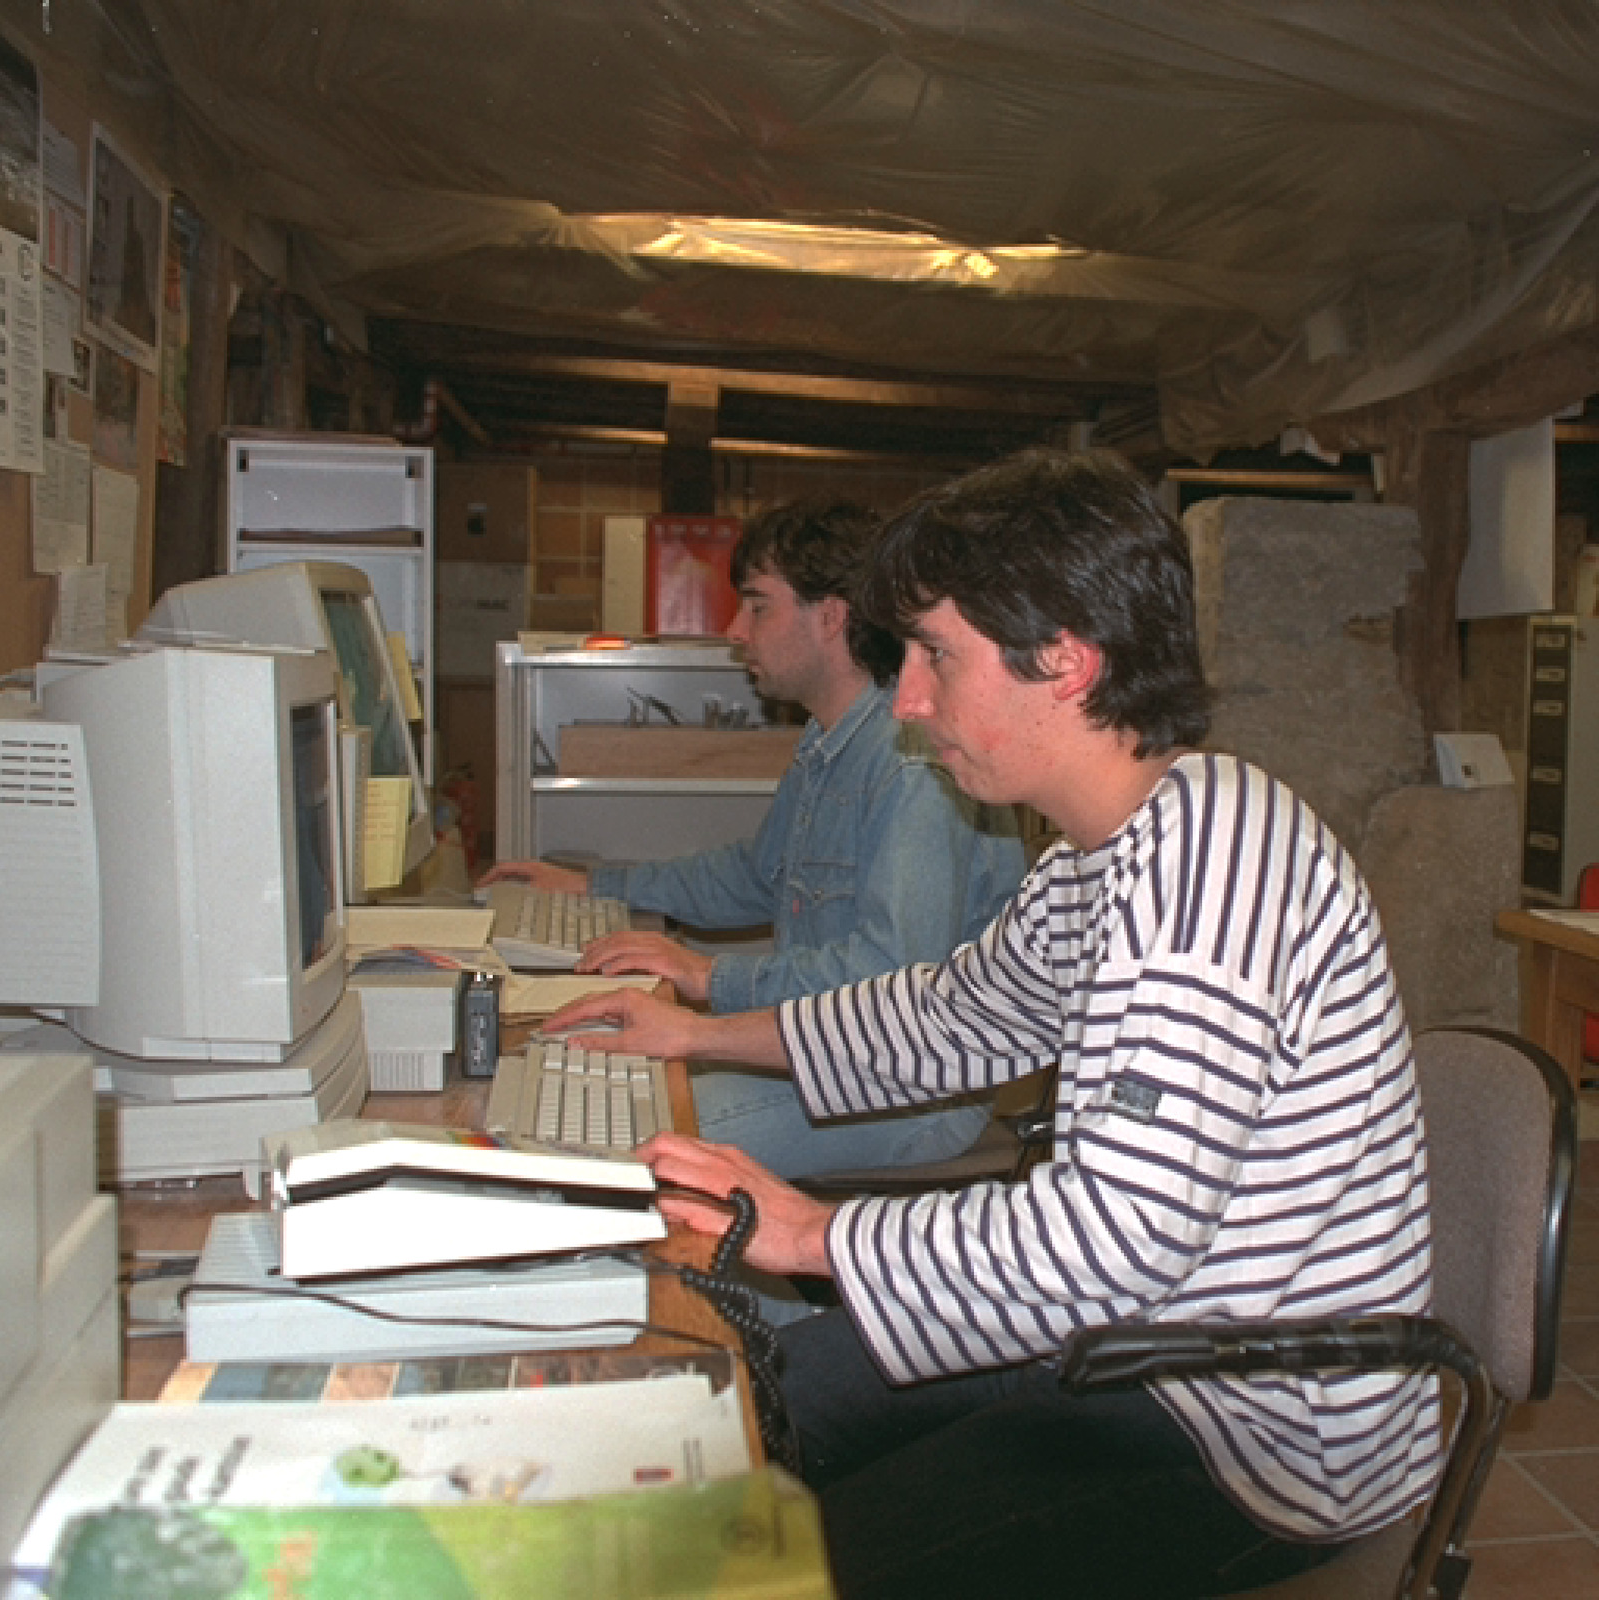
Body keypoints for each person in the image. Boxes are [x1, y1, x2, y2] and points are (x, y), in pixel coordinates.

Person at [542, 450, 1440, 1600]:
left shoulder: (1207, 875)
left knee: (777, 1560)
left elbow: (1116, 1239)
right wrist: (697, 1032)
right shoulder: (1101, 855)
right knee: (745, 1415)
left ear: (1063, 660)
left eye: (936, 654)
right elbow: (943, 1019)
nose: (909, 699)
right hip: (1127, 1343)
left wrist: (815, 1236)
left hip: (1249, 1432)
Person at [481, 499, 1025, 1178]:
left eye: (758, 606)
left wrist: (708, 977)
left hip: (909, 1093)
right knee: (592, 1086)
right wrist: (595, 885)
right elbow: (757, 876)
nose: (735, 630)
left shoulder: (910, 764)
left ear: (832, 615)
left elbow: (887, 980)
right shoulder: (830, 740)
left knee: (618, 1145)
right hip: (828, 1054)